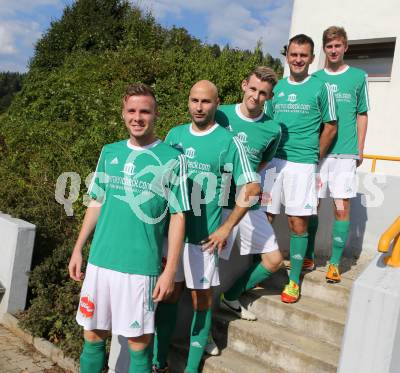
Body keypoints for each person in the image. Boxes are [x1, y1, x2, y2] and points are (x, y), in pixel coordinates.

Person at [68, 83, 189, 373]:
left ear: (156, 114)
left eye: (144, 111)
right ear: (123, 114)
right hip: (100, 262)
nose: (138, 117)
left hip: (140, 268)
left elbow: (179, 217)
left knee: (138, 344)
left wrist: (170, 271)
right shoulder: (109, 152)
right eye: (132, 110)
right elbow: (96, 201)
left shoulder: (174, 159)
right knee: (93, 337)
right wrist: (78, 248)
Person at [152, 80, 260, 373]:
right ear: (188, 102)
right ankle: (158, 362)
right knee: (169, 296)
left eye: (206, 102)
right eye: (194, 100)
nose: (199, 107)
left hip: (204, 240)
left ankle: (190, 367)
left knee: (201, 301)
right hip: (171, 237)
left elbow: (251, 188)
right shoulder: (174, 135)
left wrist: (227, 227)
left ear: (217, 103)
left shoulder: (228, 141)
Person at [263, 34, 337, 303]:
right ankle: (261, 267)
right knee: (265, 218)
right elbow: (267, 126)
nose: (297, 59)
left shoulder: (321, 88)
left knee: (297, 223)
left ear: (311, 58)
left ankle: (293, 281)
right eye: (293, 54)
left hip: (302, 165)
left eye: (303, 55)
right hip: (273, 164)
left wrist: (313, 157)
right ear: (287, 56)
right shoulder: (277, 88)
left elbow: (331, 126)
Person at [215, 66, 283, 321]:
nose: (256, 96)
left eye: (263, 93)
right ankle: (204, 332)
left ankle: (231, 296)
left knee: (274, 259)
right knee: (211, 271)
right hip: (218, 202)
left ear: (270, 97)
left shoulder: (273, 129)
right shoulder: (220, 115)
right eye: (253, 89)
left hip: (248, 203)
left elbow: (261, 164)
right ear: (244, 85)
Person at [308, 26, 369, 282]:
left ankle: (334, 263)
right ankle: (308, 255)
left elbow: (362, 114)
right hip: (319, 153)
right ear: (324, 49)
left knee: (341, 208)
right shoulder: (315, 78)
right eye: (329, 46)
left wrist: (360, 149)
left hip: (345, 154)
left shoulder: (358, 76)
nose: (333, 50)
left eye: (338, 45)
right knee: (312, 205)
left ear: (345, 47)